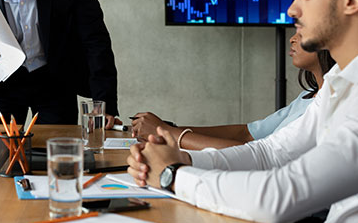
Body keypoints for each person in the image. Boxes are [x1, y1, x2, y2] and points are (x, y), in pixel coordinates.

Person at [127, 0, 358, 223]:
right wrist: (182, 159)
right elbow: (270, 154)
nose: (293, 9)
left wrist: (174, 176)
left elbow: (282, 196)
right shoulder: (339, 84)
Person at [131, 31, 335, 150]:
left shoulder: (332, 105)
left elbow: (261, 157)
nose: (292, 38)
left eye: (302, 29)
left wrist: (170, 134)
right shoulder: (307, 96)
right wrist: (167, 129)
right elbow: (247, 133)